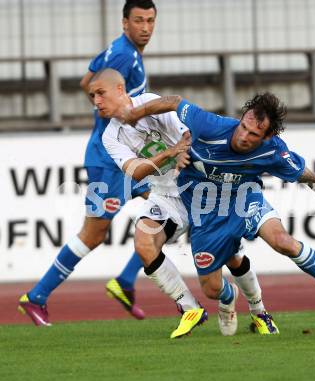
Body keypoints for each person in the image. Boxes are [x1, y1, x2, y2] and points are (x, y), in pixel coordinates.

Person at [120, 92, 315, 331]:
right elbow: (174, 101)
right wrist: (135, 114)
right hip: (206, 213)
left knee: (283, 241)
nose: (244, 136)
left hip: (244, 200)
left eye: (254, 134)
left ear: (267, 136)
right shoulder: (210, 126)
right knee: (212, 290)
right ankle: (229, 297)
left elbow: (313, 179)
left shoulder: (274, 151)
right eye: (243, 126)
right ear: (241, 118)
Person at [95, 68, 277, 336]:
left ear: (120, 89)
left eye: (101, 93)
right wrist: (171, 153)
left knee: (233, 259)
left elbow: (190, 132)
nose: (96, 101)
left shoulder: (151, 103)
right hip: (167, 195)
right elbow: (135, 170)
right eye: (92, 96)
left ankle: (259, 311)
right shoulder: (109, 136)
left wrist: (184, 153)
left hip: (205, 188)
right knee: (145, 242)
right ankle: (190, 307)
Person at [18, 0, 158, 326]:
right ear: (125, 23)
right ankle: (37, 296)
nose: (145, 27)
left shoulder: (119, 50)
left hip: (128, 155)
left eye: (150, 20)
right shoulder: (125, 56)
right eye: (138, 20)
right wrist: (113, 119)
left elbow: (86, 82)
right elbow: (97, 89)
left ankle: (125, 281)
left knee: (174, 207)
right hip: (110, 162)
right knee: (93, 234)